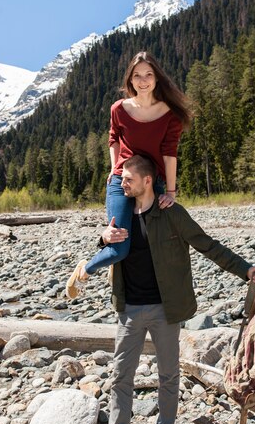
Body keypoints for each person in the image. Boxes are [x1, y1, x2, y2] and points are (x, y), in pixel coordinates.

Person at [85, 155, 255, 424]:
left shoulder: (172, 214)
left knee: (168, 377)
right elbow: (106, 248)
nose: (120, 182)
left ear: (145, 181)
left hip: (166, 310)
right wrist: (101, 237)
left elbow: (208, 246)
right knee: (120, 377)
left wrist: (246, 270)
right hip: (129, 309)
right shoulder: (122, 212)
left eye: (127, 178)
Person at [66, 51, 193, 299]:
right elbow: (113, 139)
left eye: (148, 74)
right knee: (118, 249)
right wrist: (115, 169)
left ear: (157, 78)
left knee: (156, 242)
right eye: (137, 75)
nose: (143, 80)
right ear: (130, 80)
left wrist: (170, 191)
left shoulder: (170, 114)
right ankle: (85, 270)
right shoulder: (119, 109)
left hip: (151, 183)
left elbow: (169, 153)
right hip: (121, 183)